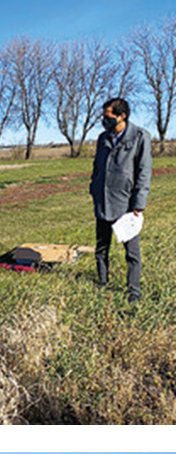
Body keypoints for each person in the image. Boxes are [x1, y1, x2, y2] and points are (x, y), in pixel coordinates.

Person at [90, 96, 153, 302]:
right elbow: (97, 166)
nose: (104, 121)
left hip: (126, 204)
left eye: (108, 117)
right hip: (103, 200)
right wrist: (94, 187)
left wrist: (139, 203)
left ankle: (133, 291)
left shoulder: (140, 137)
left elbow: (144, 171)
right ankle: (101, 282)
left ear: (122, 116)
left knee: (132, 253)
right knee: (101, 248)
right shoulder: (102, 138)